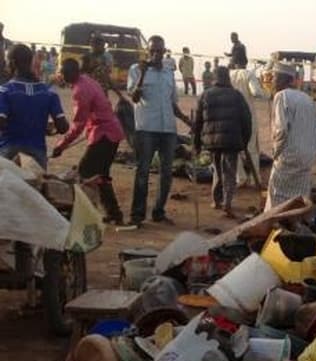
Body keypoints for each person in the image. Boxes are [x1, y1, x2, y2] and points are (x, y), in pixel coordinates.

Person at [127, 35, 192, 227]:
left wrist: (186, 119)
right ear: (147, 51)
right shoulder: (136, 70)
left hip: (168, 130)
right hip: (146, 128)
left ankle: (159, 211)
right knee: (143, 172)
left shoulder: (168, 72)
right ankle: (137, 215)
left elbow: (172, 103)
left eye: (159, 51)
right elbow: (135, 97)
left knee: (166, 173)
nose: (156, 54)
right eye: (152, 51)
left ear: (164, 52)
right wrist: (143, 75)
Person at [53, 58, 125, 224]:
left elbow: (78, 125)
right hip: (110, 132)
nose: (62, 76)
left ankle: (82, 214)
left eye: (64, 73)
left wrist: (61, 146)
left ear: (72, 73)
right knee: (101, 175)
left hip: (104, 135)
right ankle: (114, 213)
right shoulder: (87, 80)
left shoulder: (80, 90)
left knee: (84, 173)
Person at [193, 66, 252, 218]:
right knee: (229, 173)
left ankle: (216, 201)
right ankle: (227, 203)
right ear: (228, 78)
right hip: (232, 141)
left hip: (212, 141)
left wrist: (196, 145)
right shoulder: (236, 95)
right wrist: (244, 142)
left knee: (217, 171)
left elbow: (197, 123)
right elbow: (247, 120)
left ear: (214, 78)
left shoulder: (205, 95)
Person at [265, 64, 316, 210]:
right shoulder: (307, 98)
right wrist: (314, 150)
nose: (272, 81)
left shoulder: (281, 96)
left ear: (285, 80)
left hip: (289, 156)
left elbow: (281, 130)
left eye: (274, 77)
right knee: (300, 198)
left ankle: (276, 224)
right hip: (308, 156)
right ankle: (296, 224)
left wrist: (275, 152)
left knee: (277, 196)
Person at [0, 44, 68, 169]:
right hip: (37, 157)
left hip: (8, 154)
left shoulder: (4, 91)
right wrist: (41, 125)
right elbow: (63, 127)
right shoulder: (49, 93)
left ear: (13, 63)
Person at [230, 67, 266, 188]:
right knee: (252, 148)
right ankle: (254, 178)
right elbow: (256, 92)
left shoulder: (229, 75)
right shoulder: (248, 74)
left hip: (232, 116)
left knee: (235, 149)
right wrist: (267, 92)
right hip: (248, 116)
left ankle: (240, 177)